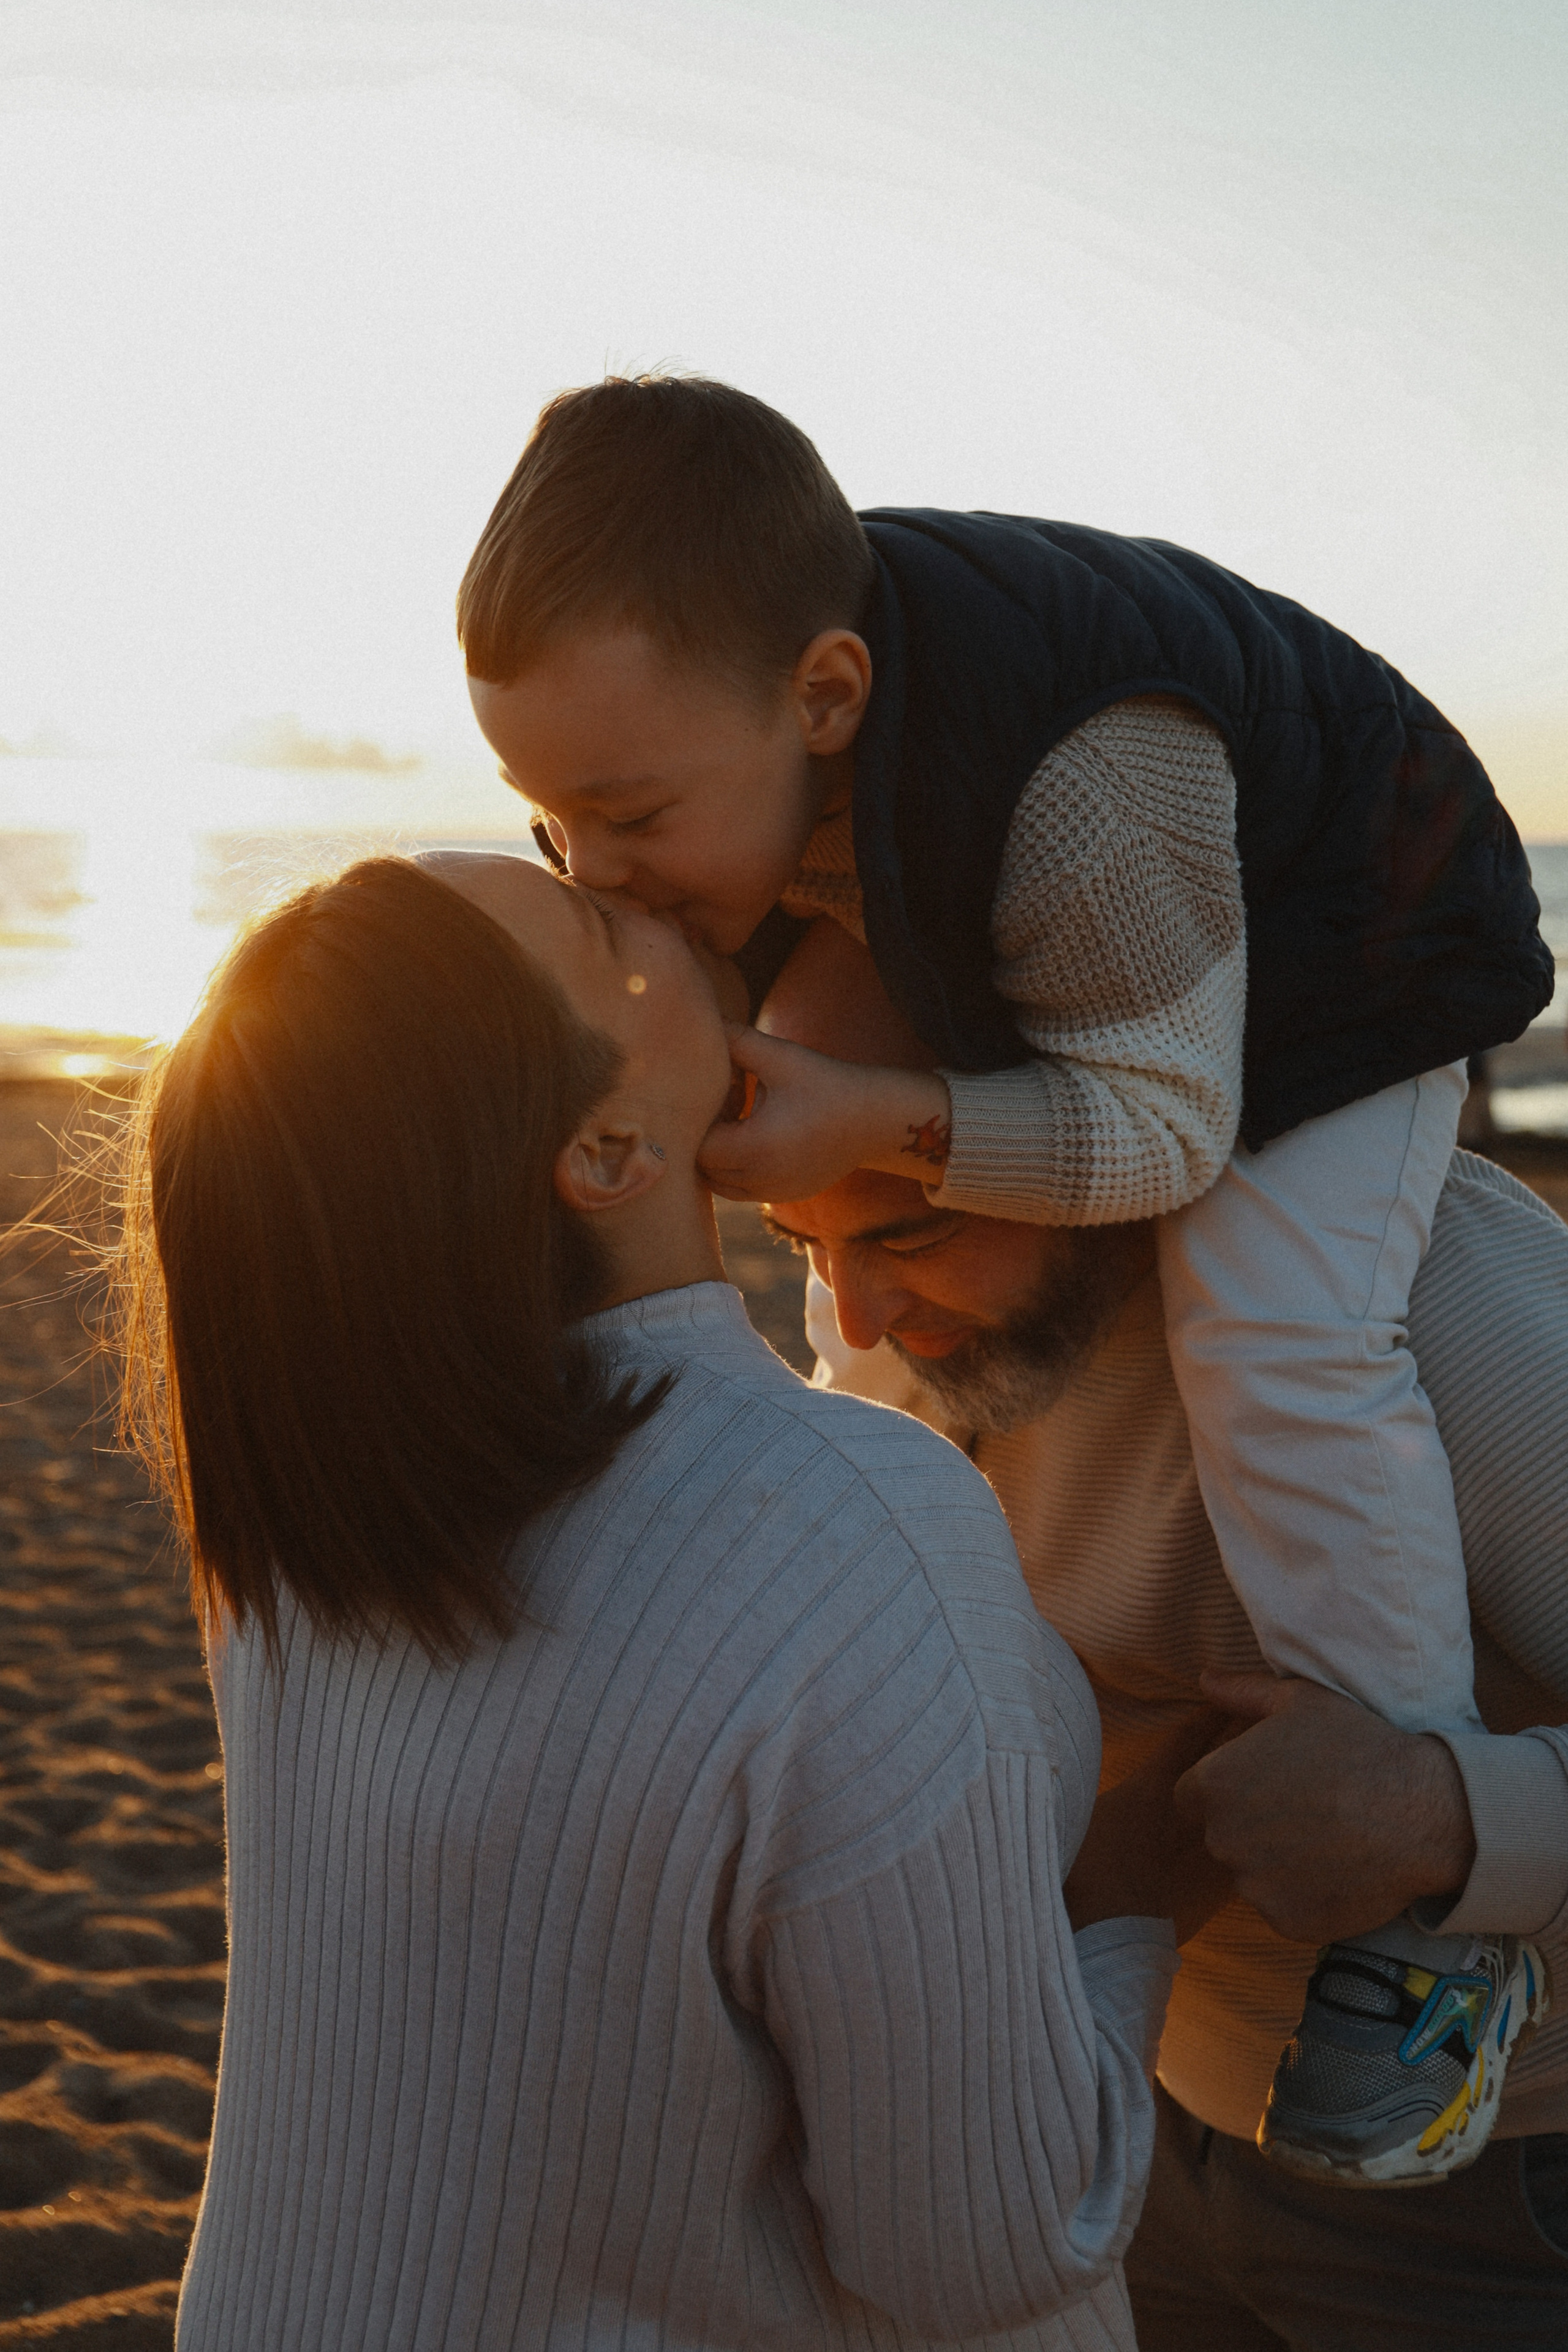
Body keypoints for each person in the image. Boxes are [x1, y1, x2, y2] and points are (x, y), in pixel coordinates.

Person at [454, 372, 1555, 2184]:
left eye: (630, 814)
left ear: (823, 695)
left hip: (1356, 960)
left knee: (1286, 1334)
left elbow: (1167, 1131)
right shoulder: (792, 801)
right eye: (549, 819)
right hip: (1154, 2132)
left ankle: (1419, 1953)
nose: (597, 871)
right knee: (861, 1390)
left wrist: (1452, 1817)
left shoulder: (1076, 792)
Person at [117, 849, 1218, 2352]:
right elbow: (994, 2244)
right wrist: (1129, 1892)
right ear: (610, 1147)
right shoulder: (847, 1522)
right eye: (593, 921)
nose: (642, 886)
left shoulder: (316, 1506)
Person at [756, 918, 1568, 2349]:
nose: (861, 1309)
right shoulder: (904, 1348)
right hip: (1140, 2136)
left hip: (1495, 2197)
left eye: (913, 1229)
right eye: (806, 1245)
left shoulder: (1441, 1311)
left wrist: (1447, 1813)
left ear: (1094, 1138)